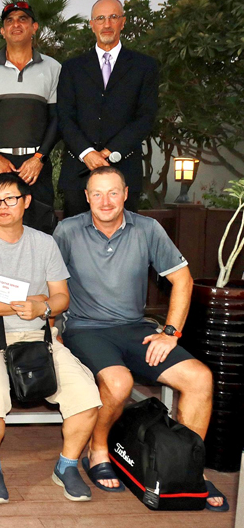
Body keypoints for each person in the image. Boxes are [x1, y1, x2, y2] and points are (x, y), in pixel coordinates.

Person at [53, 166, 225, 510]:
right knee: (118, 383)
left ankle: (187, 468)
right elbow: (50, 283)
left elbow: (183, 280)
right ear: (86, 197)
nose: (105, 201)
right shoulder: (67, 230)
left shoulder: (147, 228)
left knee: (199, 379)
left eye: (113, 192)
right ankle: (98, 448)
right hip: (86, 328)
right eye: (97, 193)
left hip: (135, 328)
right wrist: (52, 330)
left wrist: (171, 333)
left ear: (126, 194)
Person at [0, 172, 101, 504]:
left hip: (40, 333)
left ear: (25, 202)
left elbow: (61, 297)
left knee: (86, 394)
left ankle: (67, 465)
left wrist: (42, 306)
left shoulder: (45, 242)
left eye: (11, 198)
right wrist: (34, 301)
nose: (3, 206)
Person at [57, 0, 159, 217]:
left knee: (123, 242)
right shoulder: (71, 68)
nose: (107, 24)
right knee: (75, 243)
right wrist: (87, 153)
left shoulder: (145, 66)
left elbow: (145, 116)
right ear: (92, 24)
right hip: (78, 172)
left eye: (113, 17)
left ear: (123, 22)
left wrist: (111, 152)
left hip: (125, 169)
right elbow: (64, 117)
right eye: (100, 18)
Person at [0, 2, 60, 208]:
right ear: (2, 31)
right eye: (10, 21)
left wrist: (39, 158)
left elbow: (57, 118)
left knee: (40, 227)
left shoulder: (53, 67)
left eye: (22, 19)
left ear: (34, 27)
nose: (16, 24)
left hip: (36, 166)